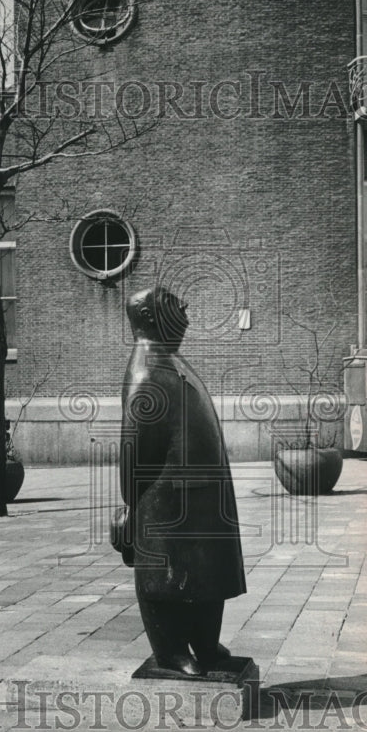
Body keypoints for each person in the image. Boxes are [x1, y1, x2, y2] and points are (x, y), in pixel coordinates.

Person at [119, 285, 246, 677]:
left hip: (202, 497)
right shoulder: (147, 374)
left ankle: (205, 644)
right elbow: (134, 458)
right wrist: (132, 509)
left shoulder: (170, 360)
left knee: (209, 574)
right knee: (167, 579)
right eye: (175, 306)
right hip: (169, 502)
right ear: (153, 317)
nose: (186, 313)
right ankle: (171, 650)